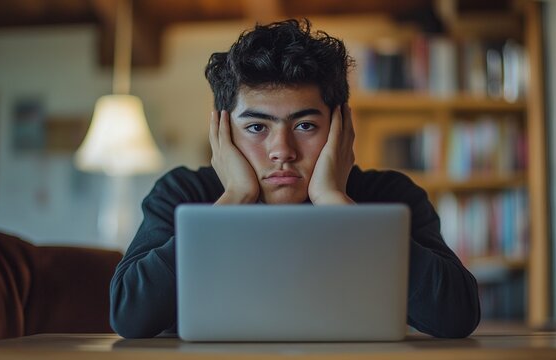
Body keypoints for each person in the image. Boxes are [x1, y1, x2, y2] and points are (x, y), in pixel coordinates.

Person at [110, 19, 480, 339]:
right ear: (223, 132)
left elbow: (457, 317)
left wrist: (337, 204)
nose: (282, 150)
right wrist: (233, 200)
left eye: (305, 125)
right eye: (256, 127)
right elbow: (129, 316)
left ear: (342, 127)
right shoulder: (185, 193)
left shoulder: (389, 196)